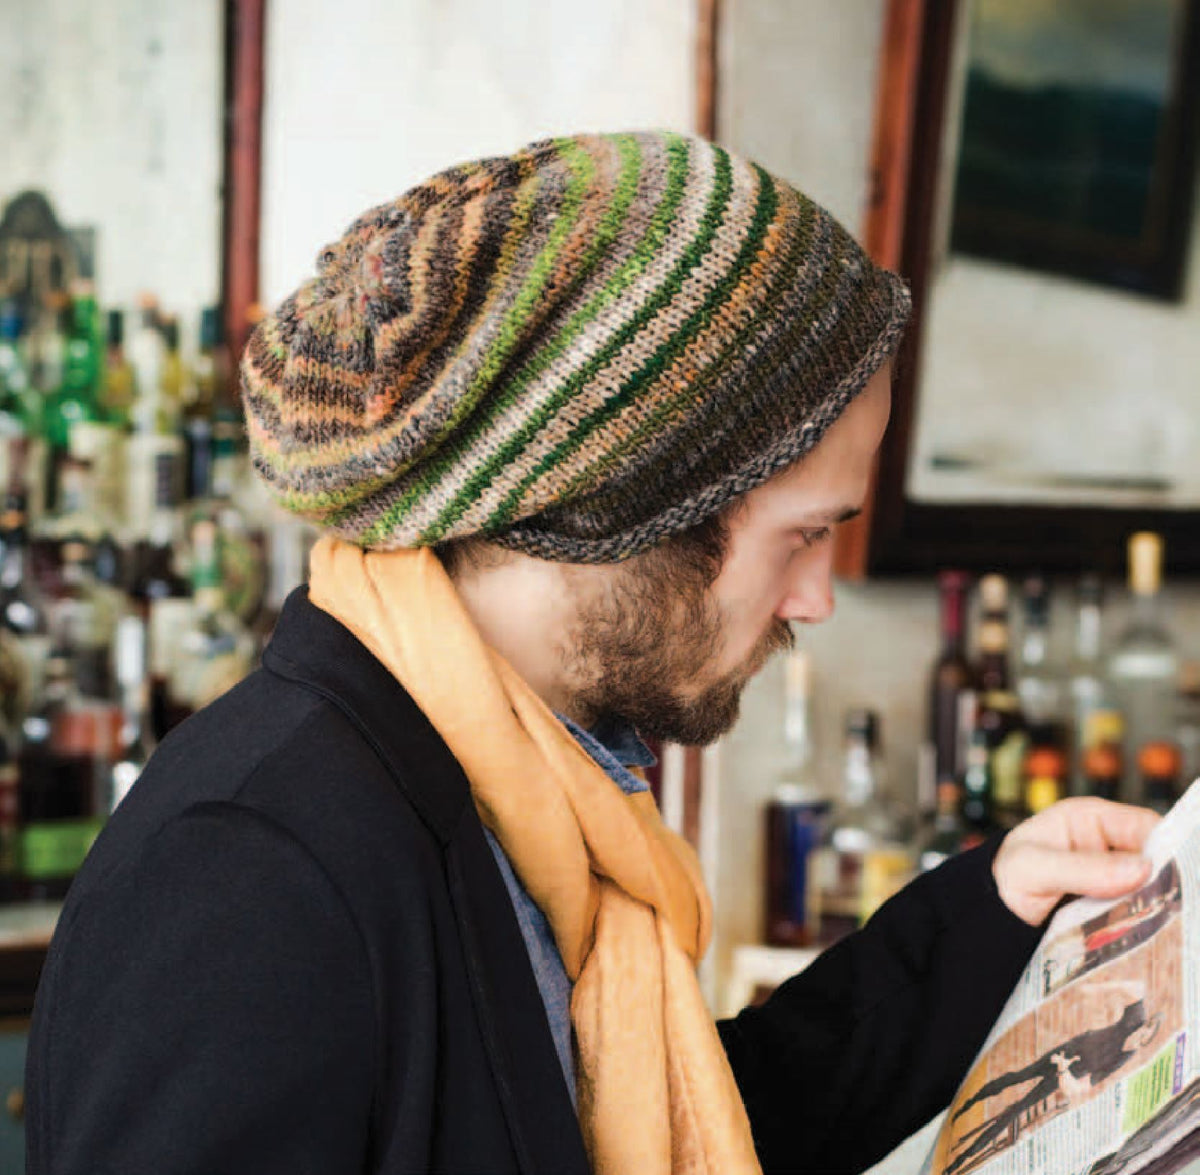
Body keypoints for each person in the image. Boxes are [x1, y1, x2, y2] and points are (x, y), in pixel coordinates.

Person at [25, 130, 1158, 1175]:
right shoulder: (253, 865)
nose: (814, 598)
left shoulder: (514, 791)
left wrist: (991, 908)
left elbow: (650, 1128)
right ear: (621, 502)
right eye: (802, 534)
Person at [946, 996, 1162, 1175]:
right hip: (1062, 1052)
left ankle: (962, 1161)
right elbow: (1125, 990)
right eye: (1144, 1033)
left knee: (1015, 1111)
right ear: (1145, 1024)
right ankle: (968, 1103)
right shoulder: (1134, 1019)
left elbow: (1075, 1089)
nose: (1138, 1040)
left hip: (1063, 1073)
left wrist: (1063, 1069)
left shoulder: (1121, 1059)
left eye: (1143, 1042)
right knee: (1017, 1076)